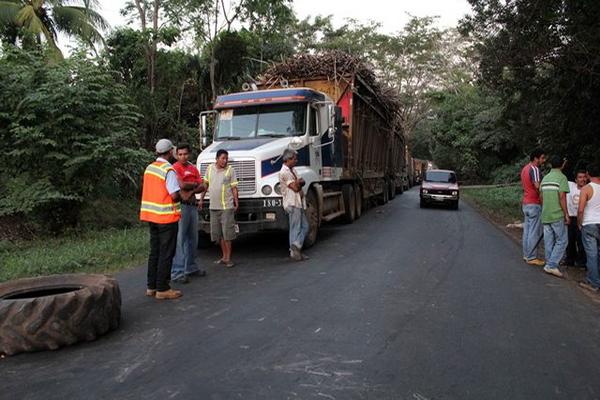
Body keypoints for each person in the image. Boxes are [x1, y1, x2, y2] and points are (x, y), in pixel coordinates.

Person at [139, 139, 183, 300]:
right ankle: (163, 288)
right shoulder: (168, 170)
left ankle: (151, 286)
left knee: (155, 252)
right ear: (170, 152)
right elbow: (173, 194)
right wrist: (181, 198)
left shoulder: (150, 168)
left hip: (151, 216)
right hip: (166, 218)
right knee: (166, 253)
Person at [171, 144, 206, 284]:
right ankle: (178, 271)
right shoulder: (175, 168)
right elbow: (181, 185)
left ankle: (191, 267)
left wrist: (190, 190)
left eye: (185, 154)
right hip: (182, 206)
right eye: (180, 154)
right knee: (181, 239)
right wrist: (193, 185)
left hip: (192, 205)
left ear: (189, 154)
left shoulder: (192, 168)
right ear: (176, 155)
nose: (183, 157)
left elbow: (203, 185)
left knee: (193, 238)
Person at [201, 149, 238, 268]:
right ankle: (224, 256)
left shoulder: (230, 170)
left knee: (227, 233)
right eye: (223, 158)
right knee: (219, 234)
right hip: (213, 206)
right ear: (216, 159)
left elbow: (234, 188)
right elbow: (205, 185)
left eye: (226, 158)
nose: (225, 161)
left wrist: (236, 201)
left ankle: (229, 258)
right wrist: (201, 199)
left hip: (226, 206)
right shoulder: (210, 169)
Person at [540, 155, 570, 278]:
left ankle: (549, 263)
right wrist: (566, 214)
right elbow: (562, 196)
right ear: (562, 165)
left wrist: (545, 207)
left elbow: (541, 196)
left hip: (546, 214)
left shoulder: (546, 178)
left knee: (549, 240)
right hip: (557, 214)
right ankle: (551, 265)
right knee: (562, 240)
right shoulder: (562, 178)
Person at [279, 149, 309, 261]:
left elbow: (300, 183)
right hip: (292, 202)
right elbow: (296, 187)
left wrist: (299, 183)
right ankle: (296, 247)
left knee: (301, 227)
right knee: (297, 228)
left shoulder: (293, 170)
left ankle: (295, 249)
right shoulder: (284, 172)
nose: (296, 161)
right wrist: (299, 183)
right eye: (294, 159)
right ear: (288, 159)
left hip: (298, 202)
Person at [521, 148, 546, 266]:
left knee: (527, 230)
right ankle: (531, 257)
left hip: (526, 202)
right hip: (534, 203)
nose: (543, 160)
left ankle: (527, 254)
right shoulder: (534, 169)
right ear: (536, 158)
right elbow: (537, 186)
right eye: (542, 158)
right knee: (534, 231)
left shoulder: (525, 168)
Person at [577, 164, 600, 293]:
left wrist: (580, 223)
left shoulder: (586, 189)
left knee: (592, 254)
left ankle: (593, 282)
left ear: (588, 174)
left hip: (589, 223)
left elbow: (580, 209)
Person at [565, 170, 588, 268]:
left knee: (581, 241)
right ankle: (570, 260)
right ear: (575, 180)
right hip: (571, 217)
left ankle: (582, 262)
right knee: (570, 240)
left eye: (584, 177)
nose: (582, 179)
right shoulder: (571, 186)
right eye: (580, 177)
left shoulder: (588, 189)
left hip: (583, 218)